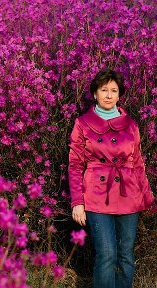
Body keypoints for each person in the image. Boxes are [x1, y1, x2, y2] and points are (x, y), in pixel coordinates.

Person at [68, 68, 155, 288]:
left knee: (125, 256)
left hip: (129, 196)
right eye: (104, 90)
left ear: (119, 95)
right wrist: (77, 202)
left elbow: (138, 164)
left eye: (114, 90)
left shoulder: (131, 125)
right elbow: (75, 165)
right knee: (106, 255)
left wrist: (147, 197)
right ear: (95, 94)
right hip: (97, 197)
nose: (109, 95)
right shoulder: (83, 124)